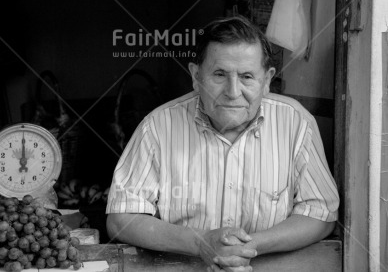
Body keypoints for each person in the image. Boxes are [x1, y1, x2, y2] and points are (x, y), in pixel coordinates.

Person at [105, 15, 339, 272]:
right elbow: (121, 218)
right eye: (219, 74)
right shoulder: (158, 127)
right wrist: (201, 243)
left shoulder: (296, 123)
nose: (233, 91)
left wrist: (246, 248)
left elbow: (321, 214)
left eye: (247, 76)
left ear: (267, 80)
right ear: (196, 76)